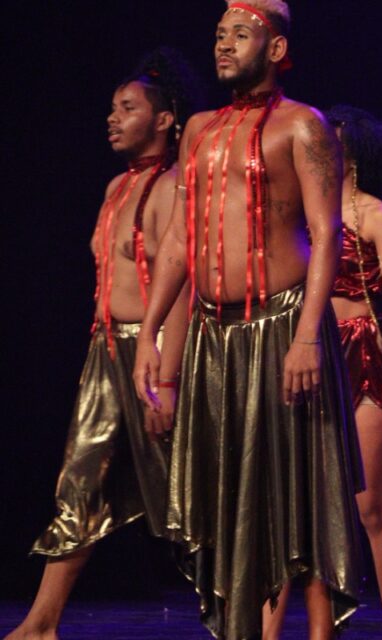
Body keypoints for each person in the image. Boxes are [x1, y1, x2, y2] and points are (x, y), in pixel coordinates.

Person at [131, 1, 363, 637]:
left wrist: (309, 335)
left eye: (240, 34)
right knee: (229, 498)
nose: (224, 46)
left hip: (284, 325)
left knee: (302, 494)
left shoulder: (303, 127)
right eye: (219, 36)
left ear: (278, 49)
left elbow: (327, 232)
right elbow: (179, 240)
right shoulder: (198, 128)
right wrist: (151, 332)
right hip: (214, 336)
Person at [4, 47, 202, 640]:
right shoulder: (117, 184)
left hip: (156, 350)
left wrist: (164, 375)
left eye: (128, 107)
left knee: (191, 494)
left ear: (165, 118)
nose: (112, 117)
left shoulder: (172, 186)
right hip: (107, 349)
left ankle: (256, 616)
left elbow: (183, 281)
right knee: (81, 480)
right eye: (112, 108)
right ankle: (41, 623)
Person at [263, 105, 382, 640]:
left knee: (371, 506)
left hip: (365, 359)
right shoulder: (299, 211)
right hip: (308, 354)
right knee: (289, 506)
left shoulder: (378, 215)